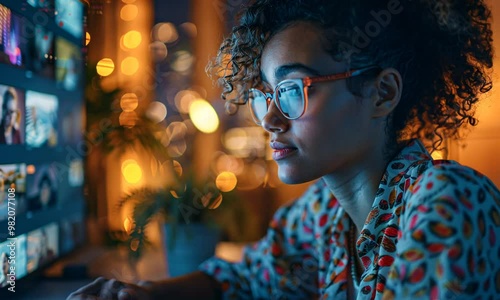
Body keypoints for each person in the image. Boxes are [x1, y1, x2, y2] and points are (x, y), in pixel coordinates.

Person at [68, 0, 500, 299]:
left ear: (382, 94)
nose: (270, 120)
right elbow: (246, 279)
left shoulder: (449, 200)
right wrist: (139, 294)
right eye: (265, 95)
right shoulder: (320, 214)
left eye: (293, 89)